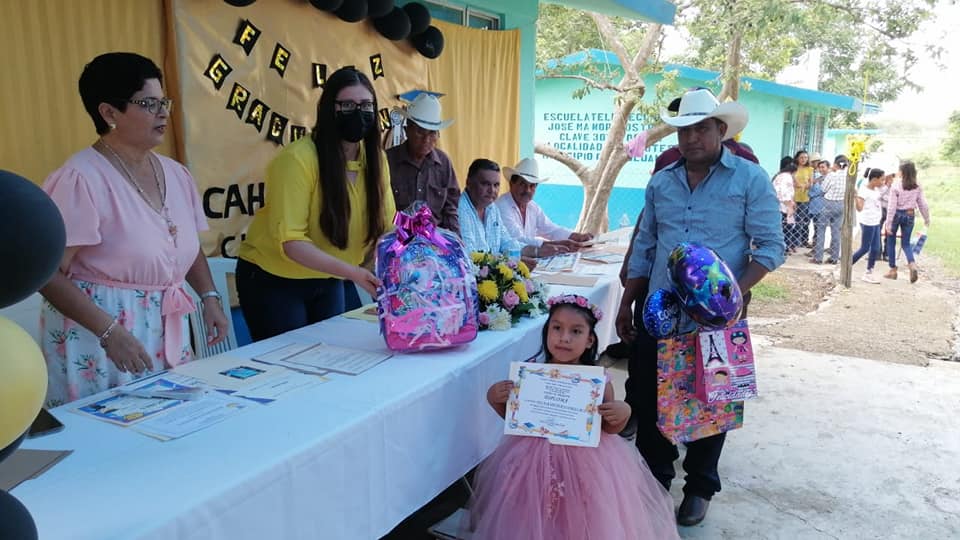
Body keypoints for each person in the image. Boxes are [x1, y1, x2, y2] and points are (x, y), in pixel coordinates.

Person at [615, 88, 784, 526]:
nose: (691, 138)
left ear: (721, 130)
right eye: (684, 130)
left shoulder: (750, 179)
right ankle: (655, 481)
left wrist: (728, 297)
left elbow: (771, 247)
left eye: (701, 129)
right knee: (651, 399)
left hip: (719, 322)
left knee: (714, 400)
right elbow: (646, 245)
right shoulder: (661, 182)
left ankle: (700, 488)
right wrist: (627, 301)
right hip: (660, 312)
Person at [39, 52, 228, 406]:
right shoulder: (80, 178)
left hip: (165, 328)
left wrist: (209, 297)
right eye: (148, 103)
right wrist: (109, 332)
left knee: (172, 424)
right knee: (108, 430)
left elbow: (184, 246)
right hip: (101, 340)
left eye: (164, 102)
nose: (163, 113)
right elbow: (46, 274)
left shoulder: (176, 173)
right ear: (109, 113)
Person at [467, 294, 679, 540]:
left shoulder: (597, 380)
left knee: (581, 516)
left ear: (590, 340)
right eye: (557, 328)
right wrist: (495, 399)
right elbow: (517, 421)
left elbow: (608, 428)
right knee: (532, 514)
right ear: (547, 332)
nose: (564, 338)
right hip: (531, 460)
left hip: (586, 464)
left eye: (576, 331)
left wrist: (623, 412)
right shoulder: (532, 373)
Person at [236, 67, 395, 341]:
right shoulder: (298, 159)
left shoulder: (376, 160)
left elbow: (387, 228)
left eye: (366, 105)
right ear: (328, 109)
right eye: (348, 105)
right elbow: (292, 242)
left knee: (332, 352)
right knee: (290, 360)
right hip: (275, 279)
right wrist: (354, 273)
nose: (358, 113)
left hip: (329, 276)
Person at [386, 93, 460, 233]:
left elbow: (451, 208)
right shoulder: (388, 161)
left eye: (432, 133)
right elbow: (379, 209)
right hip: (396, 238)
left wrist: (455, 239)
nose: (426, 139)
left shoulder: (443, 163)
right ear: (407, 130)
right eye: (420, 131)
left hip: (434, 241)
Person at [495, 157, 593, 255]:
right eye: (522, 184)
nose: (527, 190)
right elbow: (517, 240)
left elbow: (551, 229)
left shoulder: (532, 207)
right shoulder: (502, 206)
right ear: (511, 184)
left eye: (532, 186)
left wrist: (577, 237)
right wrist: (558, 244)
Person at [458, 158, 545, 267]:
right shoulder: (459, 210)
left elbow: (507, 242)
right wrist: (511, 262)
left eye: (496, 185)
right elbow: (471, 257)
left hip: (491, 272)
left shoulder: (492, 208)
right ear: (469, 183)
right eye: (485, 184)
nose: (492, 190)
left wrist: (537, 251)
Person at [883, 161, 931, 283]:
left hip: (896, 215)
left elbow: (891, 206)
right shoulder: (917, 185)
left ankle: (893, 270)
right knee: (906, 244)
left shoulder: (896, 185)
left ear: (902, 172)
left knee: (891, 242)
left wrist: (888, 223)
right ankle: (912, 264)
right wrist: (926, 219)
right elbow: (923, 204)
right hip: (910, 215)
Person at [811, 155, 849, 265]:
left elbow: (823, 189)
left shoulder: (832, 175)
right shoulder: (848, 175)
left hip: (828, 203)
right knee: (836, 231)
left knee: (821, 229)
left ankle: (818, 257)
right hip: (841, 203)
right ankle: (834, 257)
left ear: (835, 164)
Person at [852, 168, 885, 283]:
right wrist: (856, 197)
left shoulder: (876, 190)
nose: (883, 182)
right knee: (865, 248)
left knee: (875, 248)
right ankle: (847, 264)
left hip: (876, 221)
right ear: (874, 179)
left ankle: (869, 272)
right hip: (868, 222)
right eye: (882, 180)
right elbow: (859, 208)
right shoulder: (864, 191)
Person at [773, 158, 798, 253]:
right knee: (786, 228)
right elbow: (782, 193)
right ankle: (784, 248)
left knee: (785, 227)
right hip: (784, 206)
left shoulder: (779, 176)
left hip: (780, 205)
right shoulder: (786, 177)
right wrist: (789, 205)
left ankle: (784, 247)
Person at [793, 150, 814, 248]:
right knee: (791, 220)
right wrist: (800, 185)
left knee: (801, 220)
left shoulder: (810, 169)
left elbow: (811, 183)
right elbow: (791, 181)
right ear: (797, 158)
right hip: (793, 197)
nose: (803, 159)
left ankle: (799, 241)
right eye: (801, 157)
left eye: (805, 157)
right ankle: (791, 241)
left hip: (804, 198)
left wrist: (804, 186)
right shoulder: (793, 168)